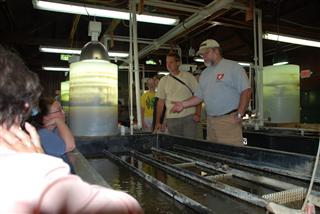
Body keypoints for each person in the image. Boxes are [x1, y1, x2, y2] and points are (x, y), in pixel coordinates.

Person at [0, 46, 142, 213]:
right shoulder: (35, 151)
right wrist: (38, 163)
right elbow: (127, 207)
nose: (63, 113)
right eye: (58, 111)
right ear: (25, 107)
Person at [171, 39, 251, 146]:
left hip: (228, 120)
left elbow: (246, 90)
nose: (204, 56)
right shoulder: (204, 74)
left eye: (206, 53)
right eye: (202, 55)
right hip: (210, 122)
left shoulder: (233, 67)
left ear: (216, 51)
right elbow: (199, 96)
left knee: (231, 156)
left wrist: (240, 114)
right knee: (214, 155)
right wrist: (182, 104)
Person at [155, 52, 201, 138]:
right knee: (175, 145)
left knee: (189, 144)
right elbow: (160, 103)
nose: (168, 65)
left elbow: (199, 95)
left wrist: (198, 113)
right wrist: (158, 122)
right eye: (167, 62)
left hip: (189, 117)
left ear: (178, 63)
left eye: (171, 62)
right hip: (171, 119)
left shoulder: (188, 76)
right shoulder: (163, 81)